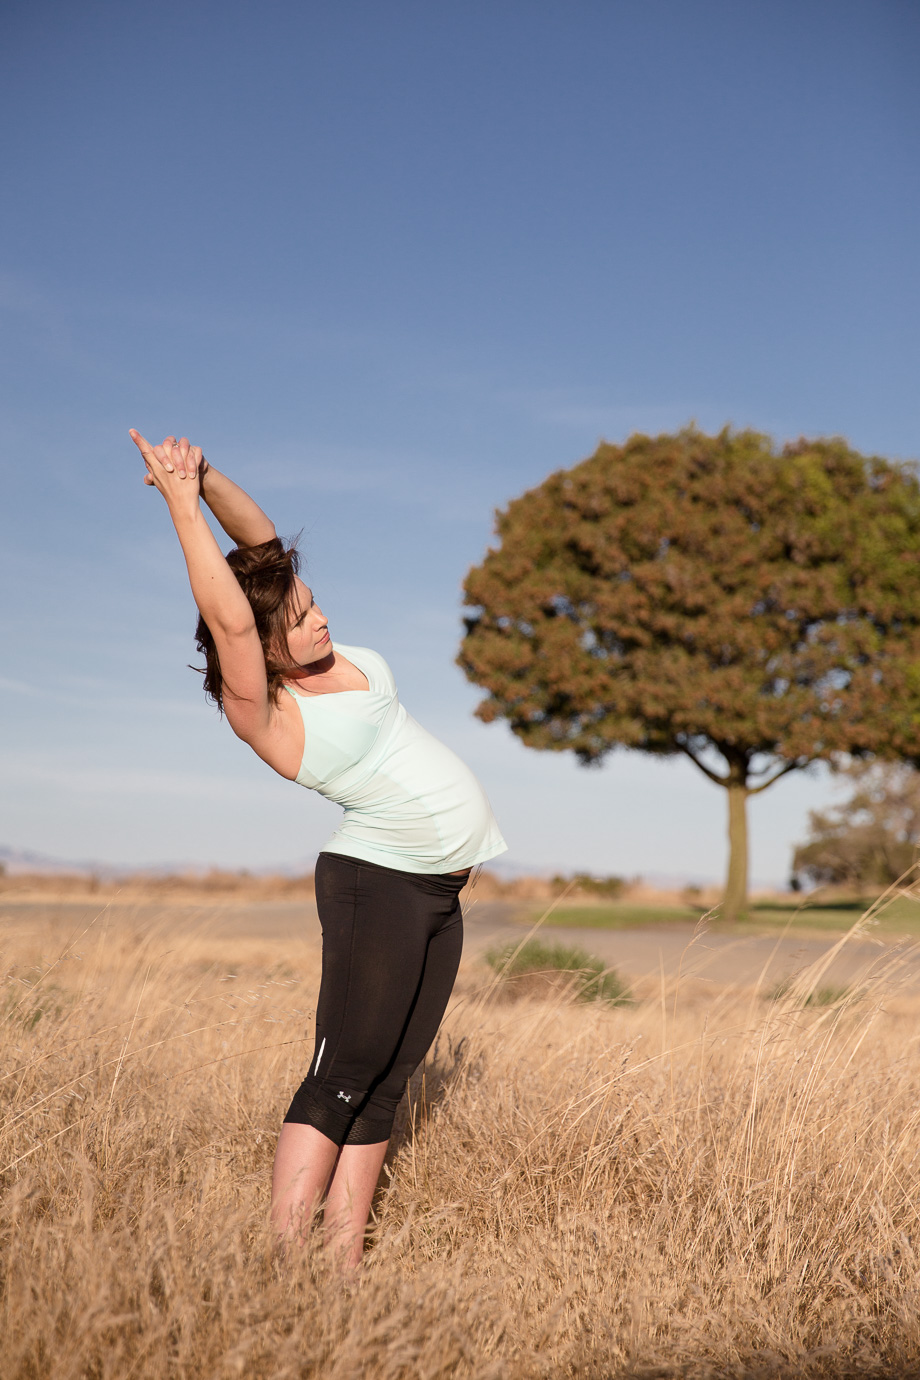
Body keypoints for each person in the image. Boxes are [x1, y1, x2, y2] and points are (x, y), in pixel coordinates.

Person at [129, 431, 507, 1267]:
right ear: (263, 652)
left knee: (388, 1082)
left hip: (436, 892)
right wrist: (181, 510)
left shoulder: (334, 654)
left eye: (313, 601)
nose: (321, 614)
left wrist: (200, 475)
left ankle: (341, 1267)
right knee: (341, 1076)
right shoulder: (262, 708)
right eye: (298, 619)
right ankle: (282, 1262)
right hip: (377, 885)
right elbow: (232, 612)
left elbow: (260, 549)